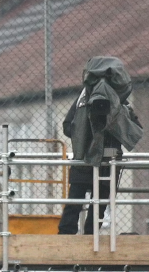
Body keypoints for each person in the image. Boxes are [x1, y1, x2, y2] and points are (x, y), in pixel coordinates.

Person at [57, 56, 142, 235]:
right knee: (81, 203)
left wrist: (114, 121)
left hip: (96, 159)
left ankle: (79, 237)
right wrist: (86, 133)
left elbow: (135, 131)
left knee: (88, 203)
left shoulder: (119, 105)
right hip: (91, 159)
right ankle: (71, 237)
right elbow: (68, 126)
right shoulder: (86, 100)